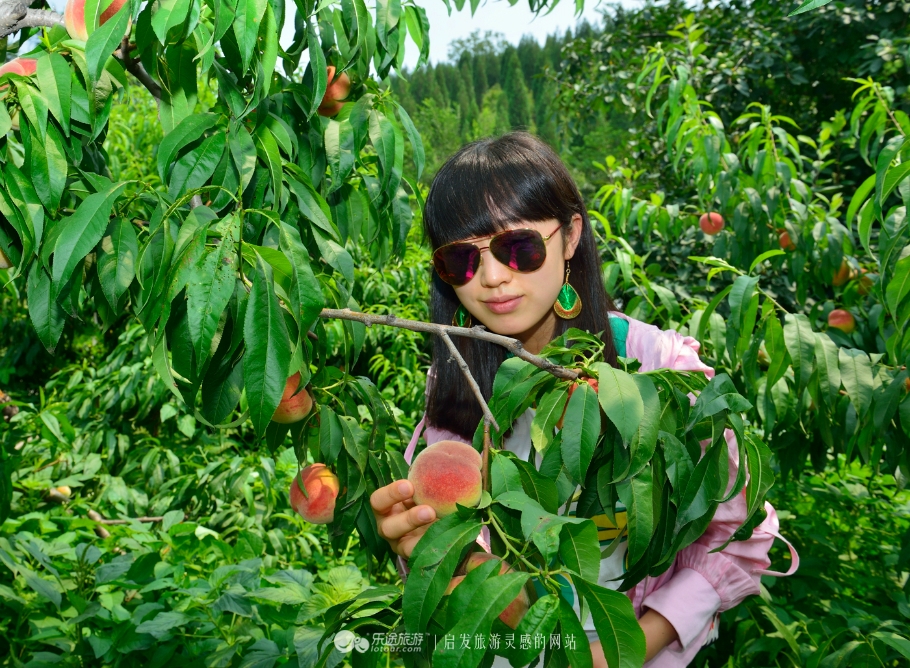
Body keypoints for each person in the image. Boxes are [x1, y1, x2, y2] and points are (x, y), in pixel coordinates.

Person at [369, 132, 797, 667]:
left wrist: (618, 653)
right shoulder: (456, 384)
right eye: (462, 261)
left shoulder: (657, 369)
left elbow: (744, 531)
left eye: (518, 246)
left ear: (571, 235)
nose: (493, 278)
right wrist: (432, 553)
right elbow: (469, 572)